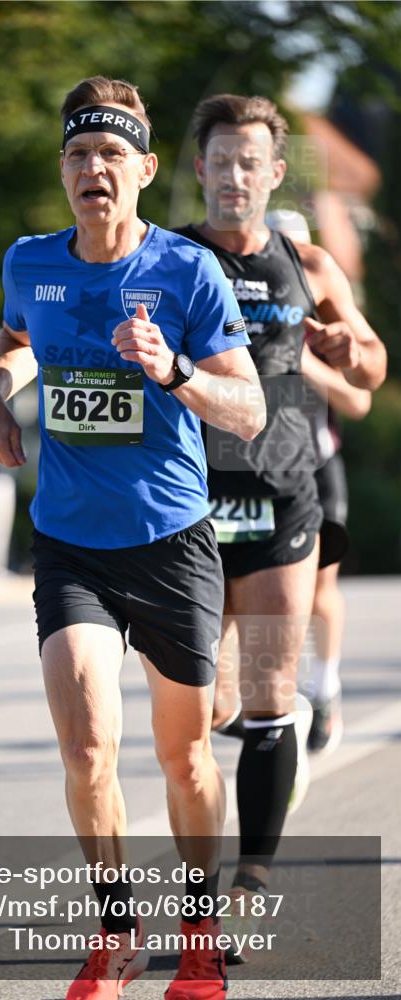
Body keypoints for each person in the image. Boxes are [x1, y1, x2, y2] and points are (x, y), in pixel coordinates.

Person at [0, 76, 266, 1000]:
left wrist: (172, 370)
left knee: (184, 757)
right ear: (61, 170)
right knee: (88, 748)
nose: (91, 169)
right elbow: (17, 336)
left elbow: (248, 410)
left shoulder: (185, 272)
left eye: (109, 155)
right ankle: (114, 936)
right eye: (75, 154)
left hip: (171, 541)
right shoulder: (29, 261)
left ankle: (201, 930)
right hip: (69, 543)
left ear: (142, 170)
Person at [174, 94, 386, 961]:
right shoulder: (168, 256)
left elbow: (370, 363)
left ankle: (247, 886)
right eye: (218, 160)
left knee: (264, 702)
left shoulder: (306, 262)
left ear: (270, 173)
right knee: (201, 708)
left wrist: (346, 351)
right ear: (199, 170)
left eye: (247, 162)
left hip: (278, 501)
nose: (232, 176)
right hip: (185, 506)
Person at [267, 210, 372, 755]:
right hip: (254, 473)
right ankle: (259, 705)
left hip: (317, 464)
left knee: (320, 588)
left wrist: (308, 363)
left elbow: (359, 399)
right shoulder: (247, 313)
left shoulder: (324, 327)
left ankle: (324, 687)